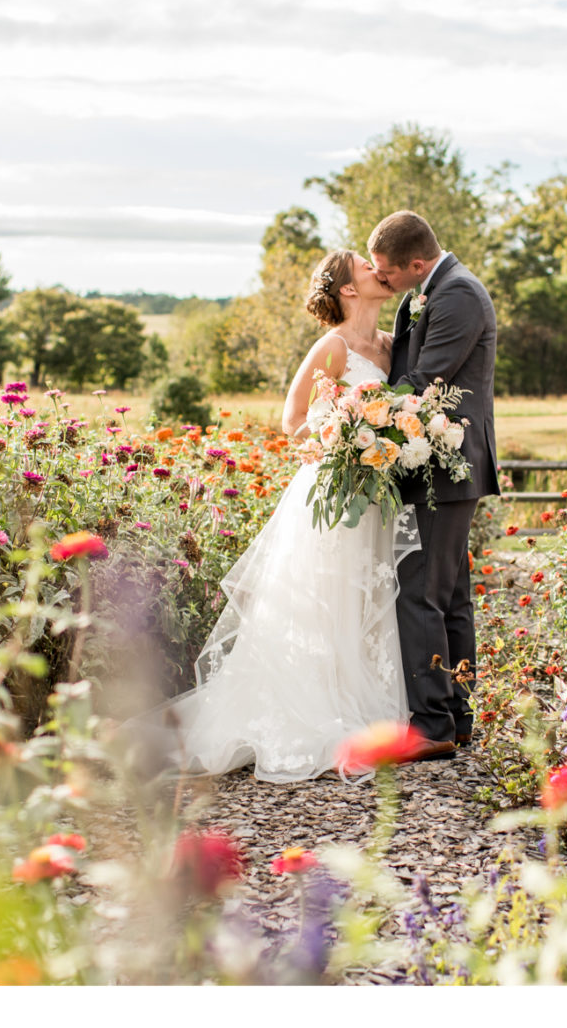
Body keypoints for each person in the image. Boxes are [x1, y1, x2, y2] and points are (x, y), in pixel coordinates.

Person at [160, 250, 415, 782]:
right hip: (331, 488)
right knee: (323, 598)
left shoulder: (391, 345)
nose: (378, 269)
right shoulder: (334, 345)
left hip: (374, 489)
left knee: (364, 594)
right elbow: (292, 419)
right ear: (348, 289)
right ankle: (315, 711)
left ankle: (360, 704)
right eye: (366, 267)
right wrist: (343, 443)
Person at [368, 211, 500, 754]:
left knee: (420, 591)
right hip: (434, 466)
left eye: (386, 273)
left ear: (416, 264)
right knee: (447, 595)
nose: (382, 281)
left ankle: (432, 726)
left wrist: (355, 412)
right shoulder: (426, 291)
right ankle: (458, 716)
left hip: (447, 464)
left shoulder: (459, 295)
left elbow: (425, 382)